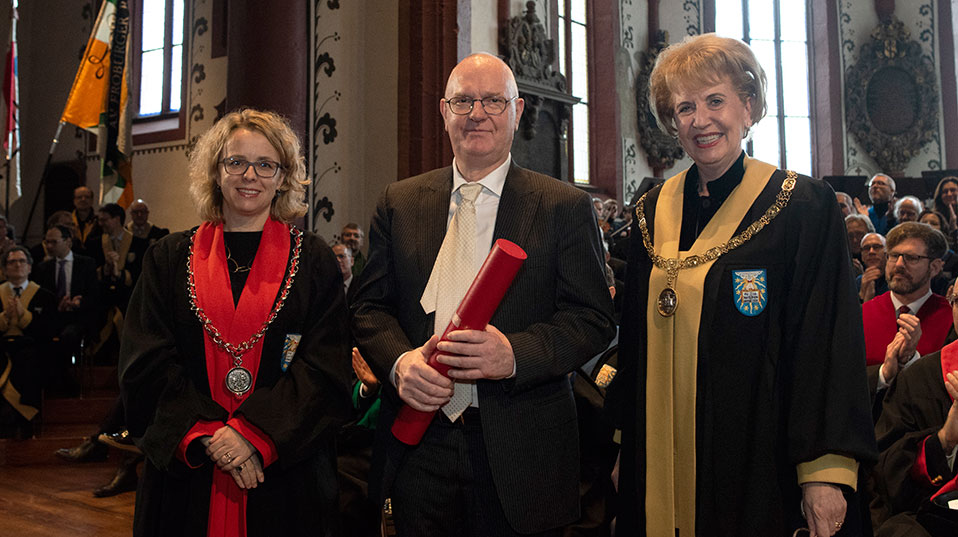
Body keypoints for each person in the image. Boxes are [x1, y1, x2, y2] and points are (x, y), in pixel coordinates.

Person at [606, 33, 876, 537]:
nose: (700, 120)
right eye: (685, 107)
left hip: (759, 463)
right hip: (657, 459)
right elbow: (635, 345)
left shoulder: (802, 207)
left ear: (748, 107)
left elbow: (825, 343)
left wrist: (824, 471)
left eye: (715, 101)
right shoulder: (649, 212)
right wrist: (626, 444)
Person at [351, 53, 615, 536]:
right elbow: (368, 308)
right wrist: (399, 364)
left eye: (493, 101)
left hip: (523, 447)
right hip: (420, 445)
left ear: (517, 111)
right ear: (443, 111)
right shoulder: (399, 202)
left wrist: (514, 354)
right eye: (463, 101)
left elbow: (593, 319)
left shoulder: (563, 206)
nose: (477, 113)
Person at [118, 108, 353, 537]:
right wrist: (208, 435)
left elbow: (325, 366)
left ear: (283, 177)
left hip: (284, 474)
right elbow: (145, 362)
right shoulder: (168, 258)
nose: (250, 175)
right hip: (189, 472)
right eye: (236, 162)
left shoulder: (315, 260)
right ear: (216, 171)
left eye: (266, 165)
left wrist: (252, 433)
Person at [871, 287, 958, 535]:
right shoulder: (919, 379)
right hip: (935, 520)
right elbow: (884, 472)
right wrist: (944, 442)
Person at [862, 223, 951, 372]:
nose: (899, 264)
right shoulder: (862, 314)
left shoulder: (951, 319)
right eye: (893, 256)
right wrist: (883, 376)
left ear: (934, 267)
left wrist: (910, 359)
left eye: (911, 258)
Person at [0, 246, 55, 439]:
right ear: (4, 269)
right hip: (2, 345)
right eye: (11, 262)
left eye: (22, 261)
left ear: (30, 267)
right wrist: (4, 317)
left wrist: (24, 316)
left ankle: (23, 420)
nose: (17, 265)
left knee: (29, 362)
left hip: (30, 346)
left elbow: (47, 331)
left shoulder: (44, 295)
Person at [858, 232, 888, 302]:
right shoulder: (857, 282)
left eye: (876, 247)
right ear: (862, 256)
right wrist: (862, 294)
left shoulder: (895, 279)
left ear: (886, 252)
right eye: (866, 248)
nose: (871, 252)